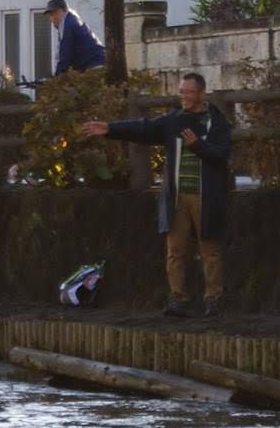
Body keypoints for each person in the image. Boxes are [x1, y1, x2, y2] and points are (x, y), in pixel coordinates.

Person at [80, 72, 232, 317]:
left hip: (206, 195)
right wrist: (109, 128)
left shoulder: (216, 121)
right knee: (175, 250)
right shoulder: (174, 120)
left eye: (188, 92)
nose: (183, 96)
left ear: (201, 93)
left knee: (210, 250)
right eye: (181, 91)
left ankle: (214, 298)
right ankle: (177, 299)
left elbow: (221, 154)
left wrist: (197, 145)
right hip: (176, 196)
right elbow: (143, 128)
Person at [45, 0, 107, 77]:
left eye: (54, 13)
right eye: (50, 15)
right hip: (96, 62)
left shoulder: (67, 23)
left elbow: (65, 52)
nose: (52, 18)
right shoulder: (71, 18)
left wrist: (57, 77)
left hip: (93, 65)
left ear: (63, 10)